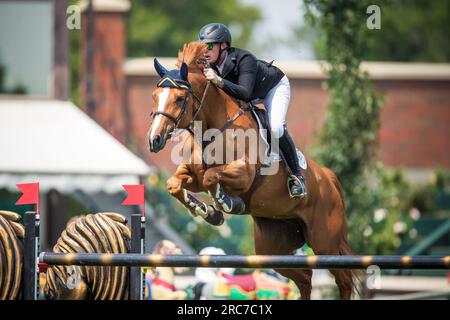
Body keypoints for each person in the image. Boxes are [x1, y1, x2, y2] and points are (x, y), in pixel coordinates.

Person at [198, 22, 307, 198]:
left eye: (209, 45)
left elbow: (246, 93)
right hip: (245, 93)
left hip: (272, 88)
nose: (205, 50)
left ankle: (297, 176)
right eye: (202, 46)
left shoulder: (244, 59)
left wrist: (218, 81)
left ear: (224, 45)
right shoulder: (207, 64)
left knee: (276, 127)